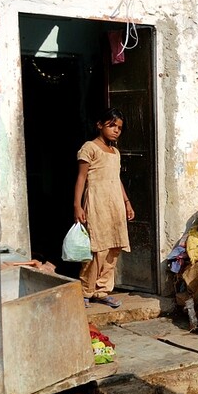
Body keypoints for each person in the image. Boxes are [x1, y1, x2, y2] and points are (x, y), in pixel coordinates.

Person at [73, 108, 134, 309]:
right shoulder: (89, 148)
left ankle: (102, 291)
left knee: (114, 247)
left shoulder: (115, 152)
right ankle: (85, 291)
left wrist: (126, 203)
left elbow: (117, 179)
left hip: (115, 204)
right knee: (96, 248)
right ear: (100, 125)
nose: (116, 130)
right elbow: (81, 178)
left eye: (119, 127)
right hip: (96, 202)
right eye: (112, 125)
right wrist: (77, 205)